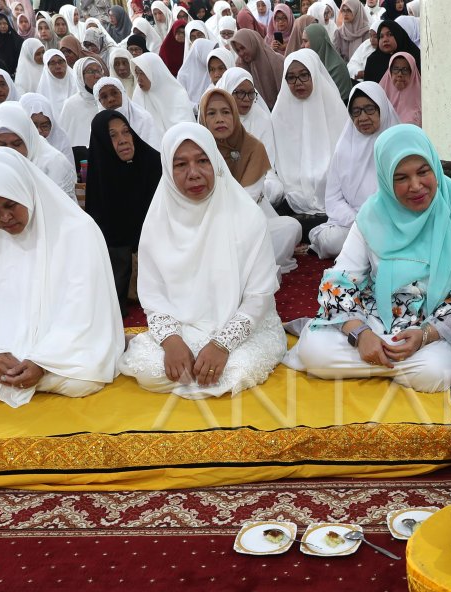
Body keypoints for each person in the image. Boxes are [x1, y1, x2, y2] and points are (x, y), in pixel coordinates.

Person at [284, 125, 451, 393]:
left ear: (435, 166)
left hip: (436, 330)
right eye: (401, 178)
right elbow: (339, 279)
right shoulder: (374, 213)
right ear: (385, 179)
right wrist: (359, 334)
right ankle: (391, 363)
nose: (416, 186)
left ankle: (379, 364)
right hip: (377, 322)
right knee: (314, 350)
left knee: (433, 370)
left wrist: (424, 334)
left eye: (423, 172)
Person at [0, 148, 123, 408]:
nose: (4, 218)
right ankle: (20, 378)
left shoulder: (79, 230)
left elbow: (82, 310)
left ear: (26, 190)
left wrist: (43, 362)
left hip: (60, 352)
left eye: (11, 205)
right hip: (1, 350)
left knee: (83, 380)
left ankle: (31, 377)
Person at [118, 123, 286, 399]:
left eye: (202, 161)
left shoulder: (246, 216)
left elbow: (260, 295)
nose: (193, 174)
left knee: (235, 371)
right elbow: (153, 295)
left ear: (216, 162)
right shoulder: (158, 222)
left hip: (245, 328)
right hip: (184, 327)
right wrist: (172, 341)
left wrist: (222, 345)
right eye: (181, 164)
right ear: (168, 171)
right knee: (150, 369)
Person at [198, 87, 300, 273]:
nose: (219, 119)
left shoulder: (253, 147)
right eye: (211, 113)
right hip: (206, 224)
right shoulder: (198, 150)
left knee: (291, 227)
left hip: (248, 219)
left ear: (235, 115)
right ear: (203, 118)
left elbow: (247, 199)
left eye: (226, 112)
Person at [307, 81, 399, 259]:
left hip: (389, 222)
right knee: (332, 241)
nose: (362, 118)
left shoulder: (397, 145)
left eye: (369, 109)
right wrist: (358, 220)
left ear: (382, 108)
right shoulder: (343, 149)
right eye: (356, 112)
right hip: (352, 223)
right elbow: (333, 199)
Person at [85, 109, 162, 312]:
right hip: (117, 270)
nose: (123, 140)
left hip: (157, 264)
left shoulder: (153, 163)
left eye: (126, 132)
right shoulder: (100, 173)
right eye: (113, 135)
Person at [267, 48, 349, 236]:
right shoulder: (279, 113)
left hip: (333, 193)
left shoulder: (336, 109)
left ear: (315, 75)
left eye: (304, 75)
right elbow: (271, 162)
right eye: (291, 78)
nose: (298, 83)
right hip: (291, 195)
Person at [0, 100, 78, 201]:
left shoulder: (54, 164)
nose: (10, 151)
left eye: (17, 144)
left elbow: (59, 209)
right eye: (2, 145)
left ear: (29, 139)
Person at [290, 21, 353, 101]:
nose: (302, 46)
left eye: (305, 41)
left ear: (317, 42)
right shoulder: (309, 64)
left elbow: (335, 101)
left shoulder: (337, 68)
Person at [132, 51, 194, 132]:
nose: (138, 79)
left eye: (142, 72)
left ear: (155, 72)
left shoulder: (178, 95)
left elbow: (186, 129)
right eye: (137, 73)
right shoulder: (138, 96)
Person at [94, 75, 160, 148]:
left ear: (123, 93)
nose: (110, 99)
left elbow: (153, 151)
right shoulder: (97, 126)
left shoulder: (143, 119)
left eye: (114, 93)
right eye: (104, 97)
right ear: (99, 102)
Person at [58, 54, 104, 148]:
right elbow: (64, 139)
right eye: (91, 71)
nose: (97, 75)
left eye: (99, 70)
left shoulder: (107, 100)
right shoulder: (71, 105)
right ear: (80, 76)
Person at [229, 27, 284, 107]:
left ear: (252, 44)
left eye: (243, 48)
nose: (241, 53)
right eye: (237, 50)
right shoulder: (240, 66)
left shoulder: (277, 61)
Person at [362, 18, 418, 85]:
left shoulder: (413, 57)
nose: (385, 40)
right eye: (381, 36)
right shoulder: (373, 61)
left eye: (390, 34)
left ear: (398, 36)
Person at [20, 91, 74, 160]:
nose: (38, 131)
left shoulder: (61, 142)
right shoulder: (13, 143)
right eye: (33, 126)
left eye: (44, 126)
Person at [378, 51, 419, 125]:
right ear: (390, 72)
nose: (400, 74)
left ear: (412, 73)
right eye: (395, 69)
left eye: (405, 70)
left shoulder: (423, 99)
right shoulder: (379, 95)